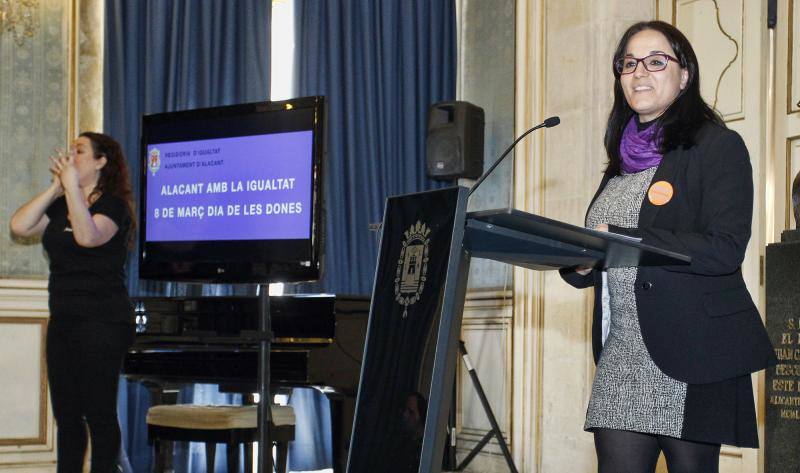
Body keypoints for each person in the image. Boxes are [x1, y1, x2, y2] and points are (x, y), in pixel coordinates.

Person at [560, 21, 776, 473]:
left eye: (657, 61)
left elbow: (725, 249)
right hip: (622, 356)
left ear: (685, 75)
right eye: (628, 63)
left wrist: (625, 237)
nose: (640, 72)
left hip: (693, 353)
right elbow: (608, 254)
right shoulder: (618, 163)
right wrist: (579, 261)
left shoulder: (717, 147)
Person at [10, 132, 135, 473]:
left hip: (103, 322)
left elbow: (87, 236)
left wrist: (73, 192)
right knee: (67, 416)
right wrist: (56, 188)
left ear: (101, 161)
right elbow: (19, 226)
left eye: (80, 151)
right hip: (64, 321)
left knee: (99, 414)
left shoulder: (113, 206)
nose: (71, 156)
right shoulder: (61, 202)